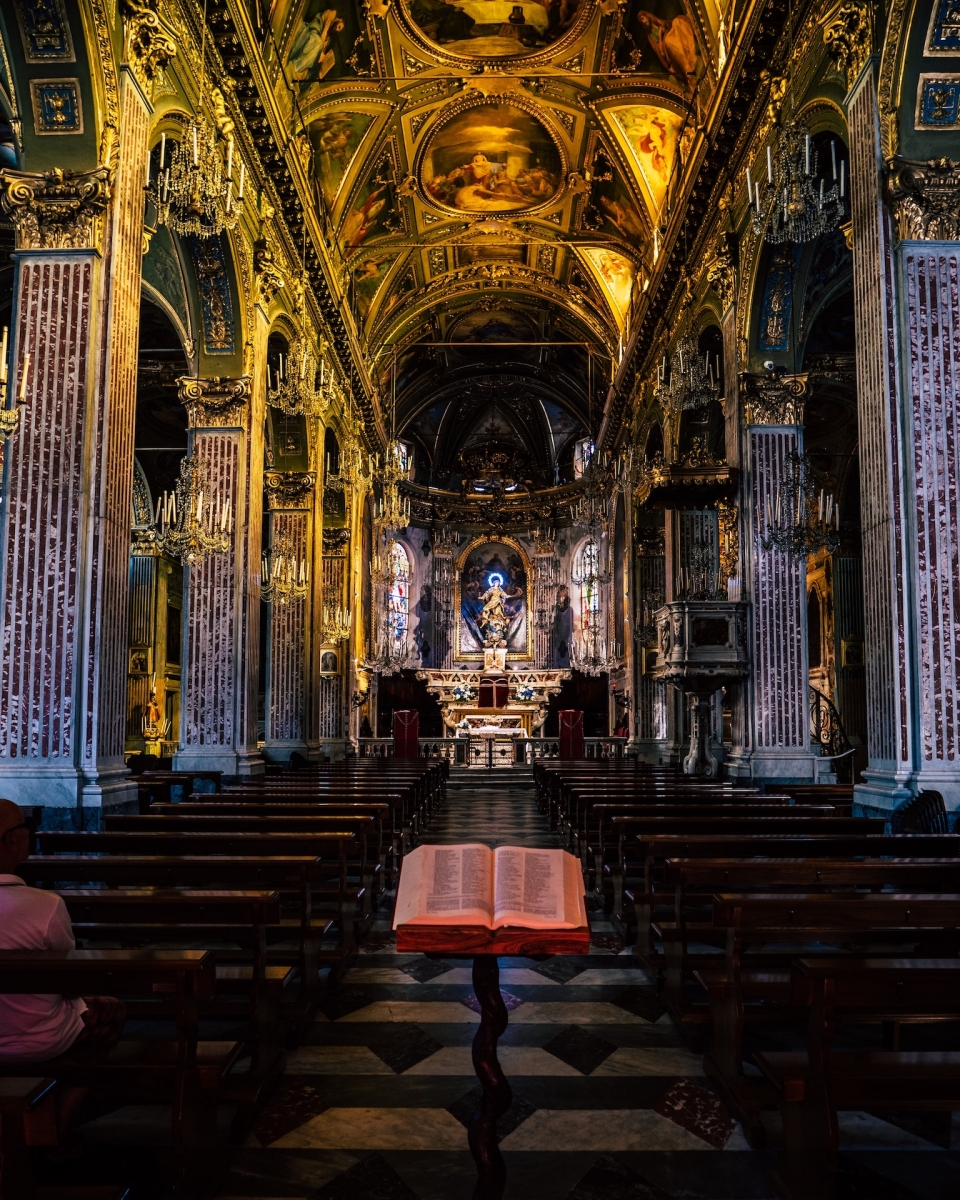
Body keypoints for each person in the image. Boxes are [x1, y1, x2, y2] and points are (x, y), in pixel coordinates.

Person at [0, 800, 125, 1075]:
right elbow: (69, 981)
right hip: (41, 1039)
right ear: (11, 840)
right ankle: (59, 1112)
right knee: (110, 1012)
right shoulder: (46, 905)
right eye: (27, 826)